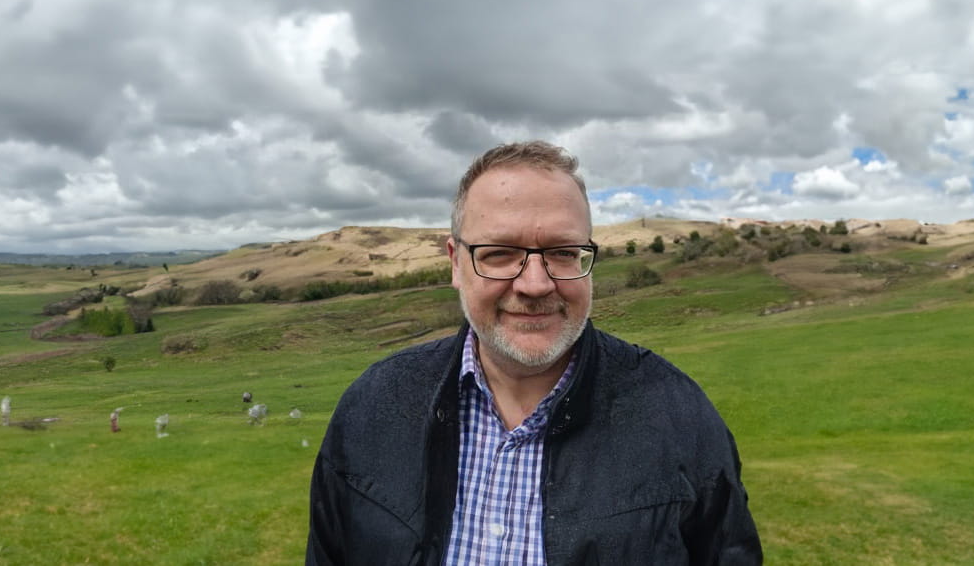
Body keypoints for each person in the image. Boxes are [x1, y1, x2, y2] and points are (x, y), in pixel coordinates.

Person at [307, 141, 761, 565]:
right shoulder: (371, 407)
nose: (536, 284)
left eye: (563, 252)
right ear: (455, 263)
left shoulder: (681, 418)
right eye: (500, 253)